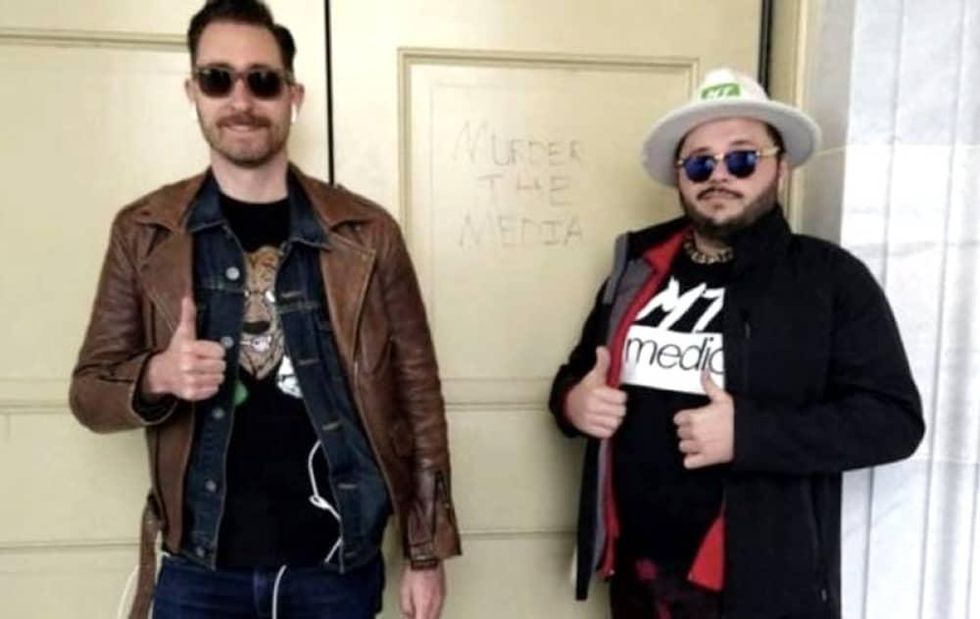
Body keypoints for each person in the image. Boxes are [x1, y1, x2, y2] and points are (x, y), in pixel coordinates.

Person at [69, 1, 459, 617]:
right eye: (218, 79)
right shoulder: (146, 232)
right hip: (199, 571)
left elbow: (418, 394)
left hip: (336, 566)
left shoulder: (366, 232)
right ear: (193, 91)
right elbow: (89, 392)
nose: (241, 100)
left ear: (292, 95)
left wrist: (425, 551)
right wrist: (157, 376)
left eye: (263, 80)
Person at [549, 67, 923, 619]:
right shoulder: (636, 266)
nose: (718, 175)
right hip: (638, 576)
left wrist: (749, 432)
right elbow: (580, 372)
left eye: (742, 158)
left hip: (757, 585)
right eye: (699, 161)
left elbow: (893, 422)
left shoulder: (830, 280)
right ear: (680, 175)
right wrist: (573, 404)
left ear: (782, 168)